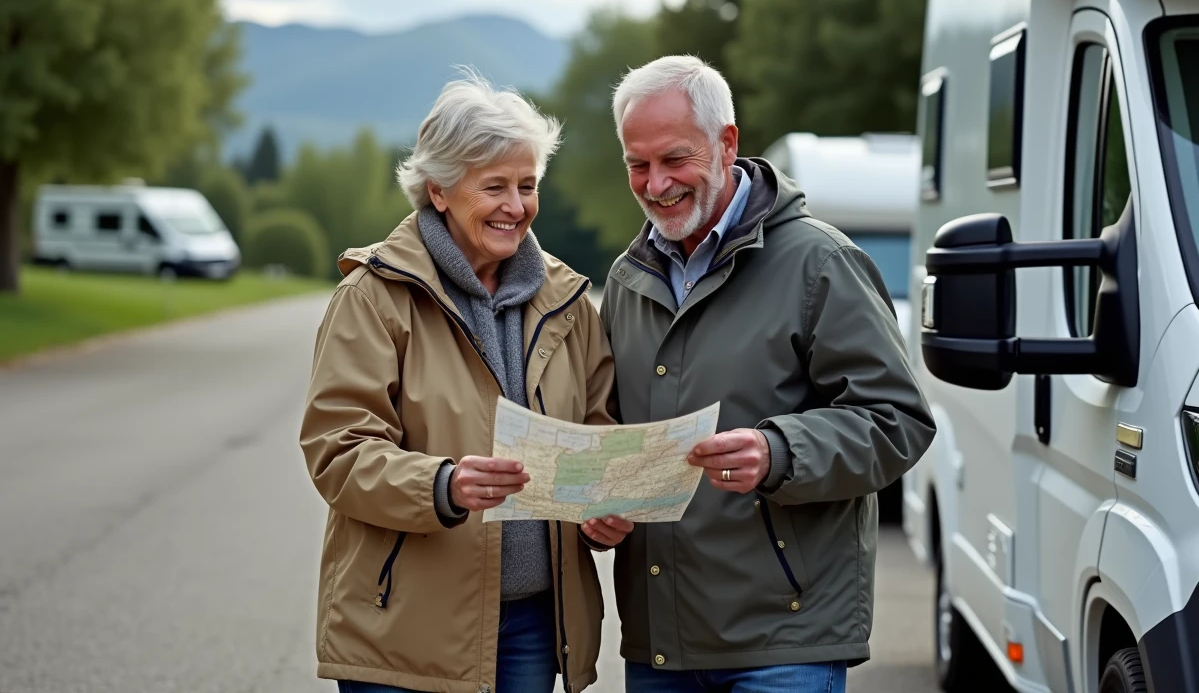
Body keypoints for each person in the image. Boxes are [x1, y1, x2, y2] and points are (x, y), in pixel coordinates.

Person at [595, 55, 937, 693]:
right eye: (637, 164)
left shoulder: (822, 262)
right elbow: (614, 433)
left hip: (786, 644)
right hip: (660, 646)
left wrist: (779, 451)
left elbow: (898, 422)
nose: (655, 183)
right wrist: (598, 506)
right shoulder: (625, 281)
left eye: (675, 159)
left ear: (727, 143)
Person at [298, 70, 633, 693]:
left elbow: (595, 436)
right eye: (494, 186)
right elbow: (338, 452)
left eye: (527, 186)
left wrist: (601, 509)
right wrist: (443, 484)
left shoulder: (569, 301)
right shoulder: (373, 297)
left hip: (532, 626)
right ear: (439, 190)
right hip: (403, 626)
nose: (516, 206)